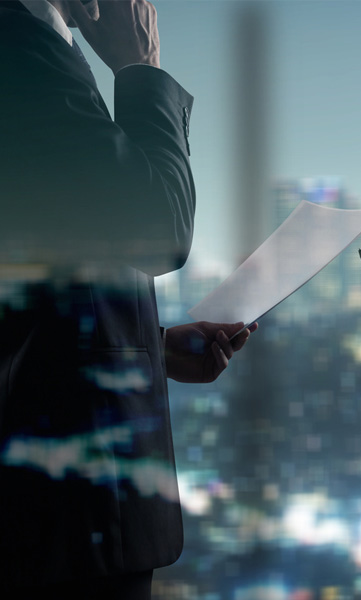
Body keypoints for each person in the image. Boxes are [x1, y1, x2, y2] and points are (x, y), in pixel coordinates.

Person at [0, 1, 255, 597]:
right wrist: (140, 69)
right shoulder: (22, 49)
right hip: (65, 520)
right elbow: (158, 231)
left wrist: (152, 349)